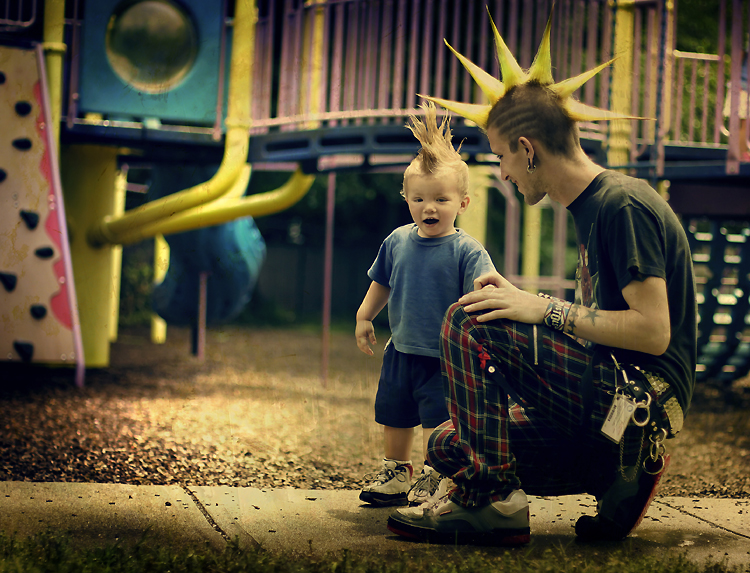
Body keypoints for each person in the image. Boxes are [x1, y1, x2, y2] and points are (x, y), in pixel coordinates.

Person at [386, 8, 696, 545]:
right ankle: (614, 476)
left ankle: (495, 502)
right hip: (607, 418)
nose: (502, 172)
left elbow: (653, 332)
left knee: (467, 317)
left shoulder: (621, 205)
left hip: (637, 407)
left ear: (527, 150)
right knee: (445, 442)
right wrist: (529, 312)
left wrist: (544, 309)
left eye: (502, 156)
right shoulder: (590, 209)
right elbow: (604, 325)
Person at [355, 102, 496, 507]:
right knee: (394, 414)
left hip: (444, 357)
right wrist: (366, 316)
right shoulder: (397, 241)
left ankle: (438, 474)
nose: (428, 208)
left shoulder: (467, 251)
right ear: (406, 198)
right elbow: (382, 281)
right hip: (400, 350)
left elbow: (482, 297)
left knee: (440, 421)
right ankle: (397, 473)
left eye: (440, 199)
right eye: (418, 199)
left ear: (462, 204)